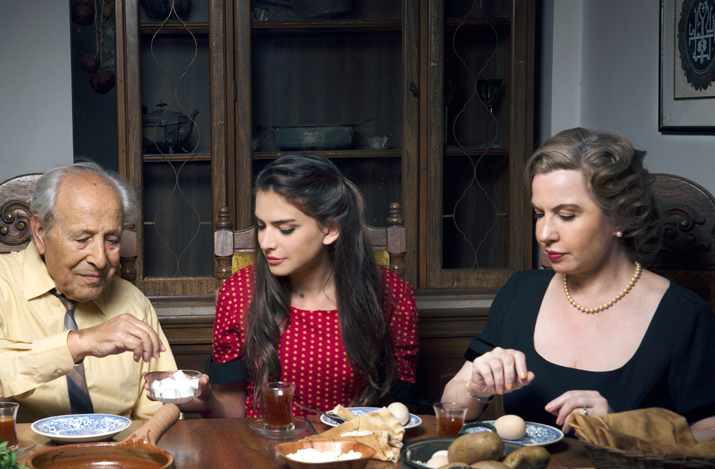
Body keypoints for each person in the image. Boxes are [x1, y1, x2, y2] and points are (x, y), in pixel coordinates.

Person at [441, 128, 715, 441]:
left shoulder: (684, 316)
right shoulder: (521, 291)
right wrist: (474, 387)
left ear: (622, 217)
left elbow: (709, 437)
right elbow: (452, 405)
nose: (544, 233)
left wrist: (620, 430)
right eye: (539, 213)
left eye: (567, 215)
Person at [0, 162, 190, 421]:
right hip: (14, 455)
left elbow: (159, 413)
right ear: (40, 232)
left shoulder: (132, 302)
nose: (100, 260)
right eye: (82, 239)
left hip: (114, 456)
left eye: (112, 240)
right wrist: (79, 344)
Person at [191, 154, 419, 419]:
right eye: (261, 226)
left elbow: (398, 412)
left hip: (354, 449)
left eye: (285, 229)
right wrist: (207, 402)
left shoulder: (391, 294)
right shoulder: (240, 292)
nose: (266, 242)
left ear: (330, 230)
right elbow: (231, 410)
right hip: (265, 448)